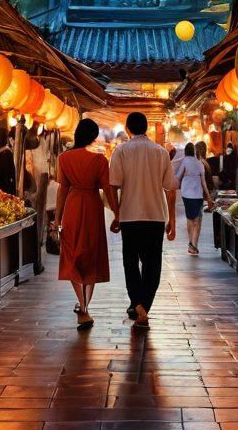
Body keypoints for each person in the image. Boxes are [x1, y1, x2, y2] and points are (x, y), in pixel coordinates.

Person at [109, 111, 177, 330]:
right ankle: (143, 306)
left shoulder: (121, 151)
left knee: (130, 262)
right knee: (152, 264)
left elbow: (113, 185)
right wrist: (172, 220)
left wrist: (116, 213)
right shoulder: (161, 152)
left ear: (128, 129)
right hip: (155, 216)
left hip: (130, 216)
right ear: (146, 128)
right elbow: (171, 188)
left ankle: (138, 304)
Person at [55, 117, 119, 331]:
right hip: (92, 207)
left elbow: (62, 189)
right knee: (91, 253)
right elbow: (108, 189)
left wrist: (57, 218)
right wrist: (117, 214)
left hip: (72, 206)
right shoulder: (100, 161)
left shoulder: (63, 158)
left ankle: (82, 305)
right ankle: (85, 306)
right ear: (93, 137)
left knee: (73, 253)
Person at [175, 142, 214, 255]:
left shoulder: (185, 161)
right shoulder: (199, 164)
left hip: (186, 194)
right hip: (198, 195)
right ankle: (193, 245)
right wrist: (209, 197)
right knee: (197, 220)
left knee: (190, 219)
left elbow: (178, 176)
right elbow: (204, 183)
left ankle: (191, 244)